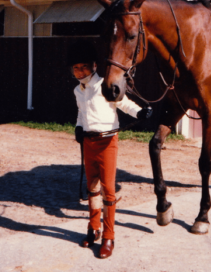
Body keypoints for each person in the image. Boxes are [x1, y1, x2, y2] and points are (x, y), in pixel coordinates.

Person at [69, 40, 152, 259]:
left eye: (84, 66)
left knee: (108, 189)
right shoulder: (78, 90)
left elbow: (124, 103)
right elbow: (81, 113)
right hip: (88, 142)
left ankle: (109, 236)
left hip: (107, 141)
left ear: (94, 65)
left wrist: (140, 112)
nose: (80, 71)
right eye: (76, 68)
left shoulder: (105, 83)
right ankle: (93, 228)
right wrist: (78, 127)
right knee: (92, 188)